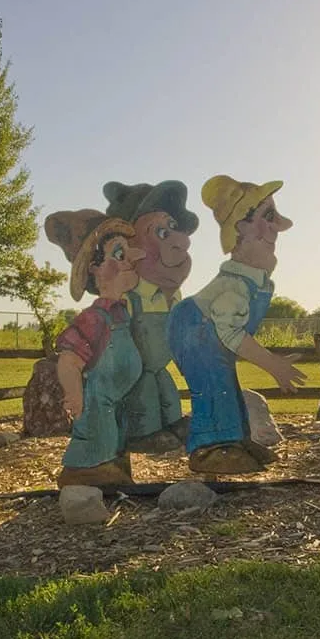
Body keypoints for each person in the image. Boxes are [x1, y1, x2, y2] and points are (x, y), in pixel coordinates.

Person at [167, 175, 306, 474]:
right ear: (240, 227)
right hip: (194, 329)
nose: (277, 227)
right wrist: (272, 364)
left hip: (206, 329)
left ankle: (236, 440)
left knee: (227, 384)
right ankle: (208, 449)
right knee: (213, 386)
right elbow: (230, 332)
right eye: (267, 216)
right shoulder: (235, 285)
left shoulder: (252, 280)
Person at [44, 209, 147, 487]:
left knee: (113, 440)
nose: (130, 261)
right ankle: (84, 471)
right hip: (98, 403)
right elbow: (69, 360)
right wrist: (75, 396)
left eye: (128, 253)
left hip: (118, 403)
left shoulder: (124, 311)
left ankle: (110, 469)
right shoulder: (93, 318)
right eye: (118, 254)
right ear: (94, 268)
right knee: (96, 440)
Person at [101, 180, 198, 453]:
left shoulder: (174, 298)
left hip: (159, 365)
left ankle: (173, 424)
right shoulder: (129, 298)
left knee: (165, 388)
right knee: (144, 392)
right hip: (136, 371)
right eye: (159, 232)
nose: (182, 243)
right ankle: (144, 433)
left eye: (173, 228)